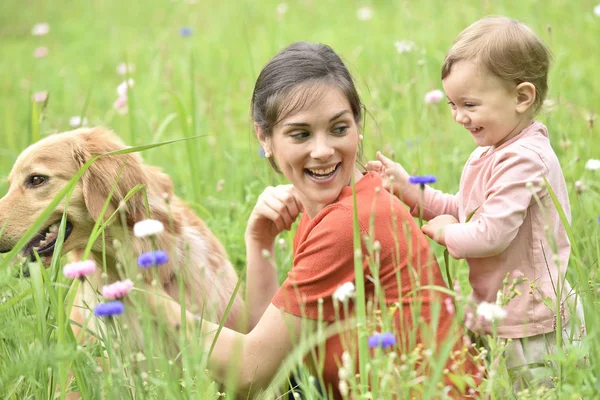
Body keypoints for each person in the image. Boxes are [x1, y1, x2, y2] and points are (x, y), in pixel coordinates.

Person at [149, 42, 478, 399]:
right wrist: (259, 242)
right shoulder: (335, 208)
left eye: (338, 129)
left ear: (357, 125)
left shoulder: (350, 223)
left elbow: (249, 373)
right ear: (265, 138)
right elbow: (270, 348)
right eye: (301, 134)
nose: (322, 151)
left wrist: (147, 297)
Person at [367, 16, 585, 389]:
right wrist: (410, 191)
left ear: (521, 97)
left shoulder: (523, 158)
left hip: (531, 322)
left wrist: (450, 233)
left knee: (535, 391)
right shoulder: (494, 149)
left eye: (469, 104)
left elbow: (491, 234)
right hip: (502, 311)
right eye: (452, 103)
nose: (458, 116)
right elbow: (466, 209)